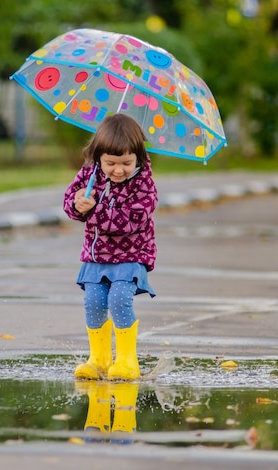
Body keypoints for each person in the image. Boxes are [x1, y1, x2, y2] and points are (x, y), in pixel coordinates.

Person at [63, 114, 157, 381]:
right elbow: (70, 201)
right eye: (110, 163)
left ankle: (127, 361)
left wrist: (94, 210)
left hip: (131, 256)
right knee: (93, 301)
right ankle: (100, 360)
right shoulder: (89, 174)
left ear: (138, 157)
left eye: (126, 163)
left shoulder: (144, 186)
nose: (118, 170)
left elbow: (127, 222)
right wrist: (77, 203)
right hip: (97, 257)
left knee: (118, 299)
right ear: (98, 156)